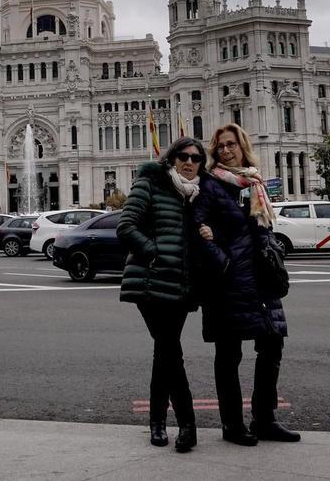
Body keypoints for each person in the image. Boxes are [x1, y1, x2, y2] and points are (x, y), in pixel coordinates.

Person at [193, 123, 300, 446]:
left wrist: (272, 251)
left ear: (242, 146)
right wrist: (222, 261)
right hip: (227, 283)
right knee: (229, 355)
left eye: (231, 144)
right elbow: (197, 228)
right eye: (220, 146)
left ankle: (264, 419)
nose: (226, 150)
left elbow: (263, 228)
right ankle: (233, 425)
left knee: (271, 346)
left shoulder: (254, 183)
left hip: (260, 281)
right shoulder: (209, 185)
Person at [117, 136, 209, 453]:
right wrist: (153, 254)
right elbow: (126, 225)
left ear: (201, 164)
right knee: (171, 352)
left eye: (196, 158)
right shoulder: (152, 183)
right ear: (171, 159)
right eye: (182, 156)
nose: (188, 162)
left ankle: (156, 422)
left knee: (164, 354)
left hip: (181, 287)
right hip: (151, 282)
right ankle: (187, 424)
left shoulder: (198, 195)